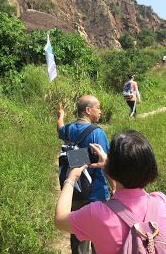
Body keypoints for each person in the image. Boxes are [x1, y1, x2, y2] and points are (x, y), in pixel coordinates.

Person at [54, 130, 166, 254]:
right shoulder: (160, 202)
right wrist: (110, 167)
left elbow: (60, 220)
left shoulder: (97, 213)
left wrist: (71, 179)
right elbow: (132, 194)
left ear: (113, 166)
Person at [56, 95, 110, 254]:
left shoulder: (69, 129)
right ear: (88, 110)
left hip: (76, 190)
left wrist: (61, 116)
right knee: (100, 236)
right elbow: (107, 163)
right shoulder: (97, 133)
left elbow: (60, 129)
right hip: (96, 193)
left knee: (78, 233)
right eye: (98, 107)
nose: (100, 111)